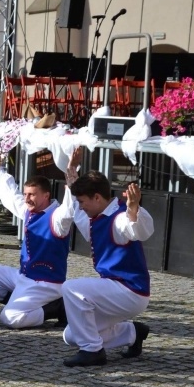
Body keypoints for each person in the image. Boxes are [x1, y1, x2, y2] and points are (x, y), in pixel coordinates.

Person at [61, 149, 154, 367]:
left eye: (85, 201)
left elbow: (138, 231)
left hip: (130, 290)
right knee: (72, 335)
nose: (81, 205)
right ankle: (132, 332)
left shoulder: (119, 217)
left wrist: (133, 208)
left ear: (98, 197)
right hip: (114, 289)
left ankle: (93, 352)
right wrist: (72, 171)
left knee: (71, 288)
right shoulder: (93, 216)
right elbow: (76, 205)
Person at [0, 144, 73, 329]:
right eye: (26, 194)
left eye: (32, 195)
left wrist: (71, 181)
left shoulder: (58, 218)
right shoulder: (29, 210)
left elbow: (69, 209)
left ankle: (54, 308)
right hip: (24, 276)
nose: (27, 199)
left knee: (10, 318)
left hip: (45, 283)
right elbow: (11, 194)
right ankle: (23, 301)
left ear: (46, 196)